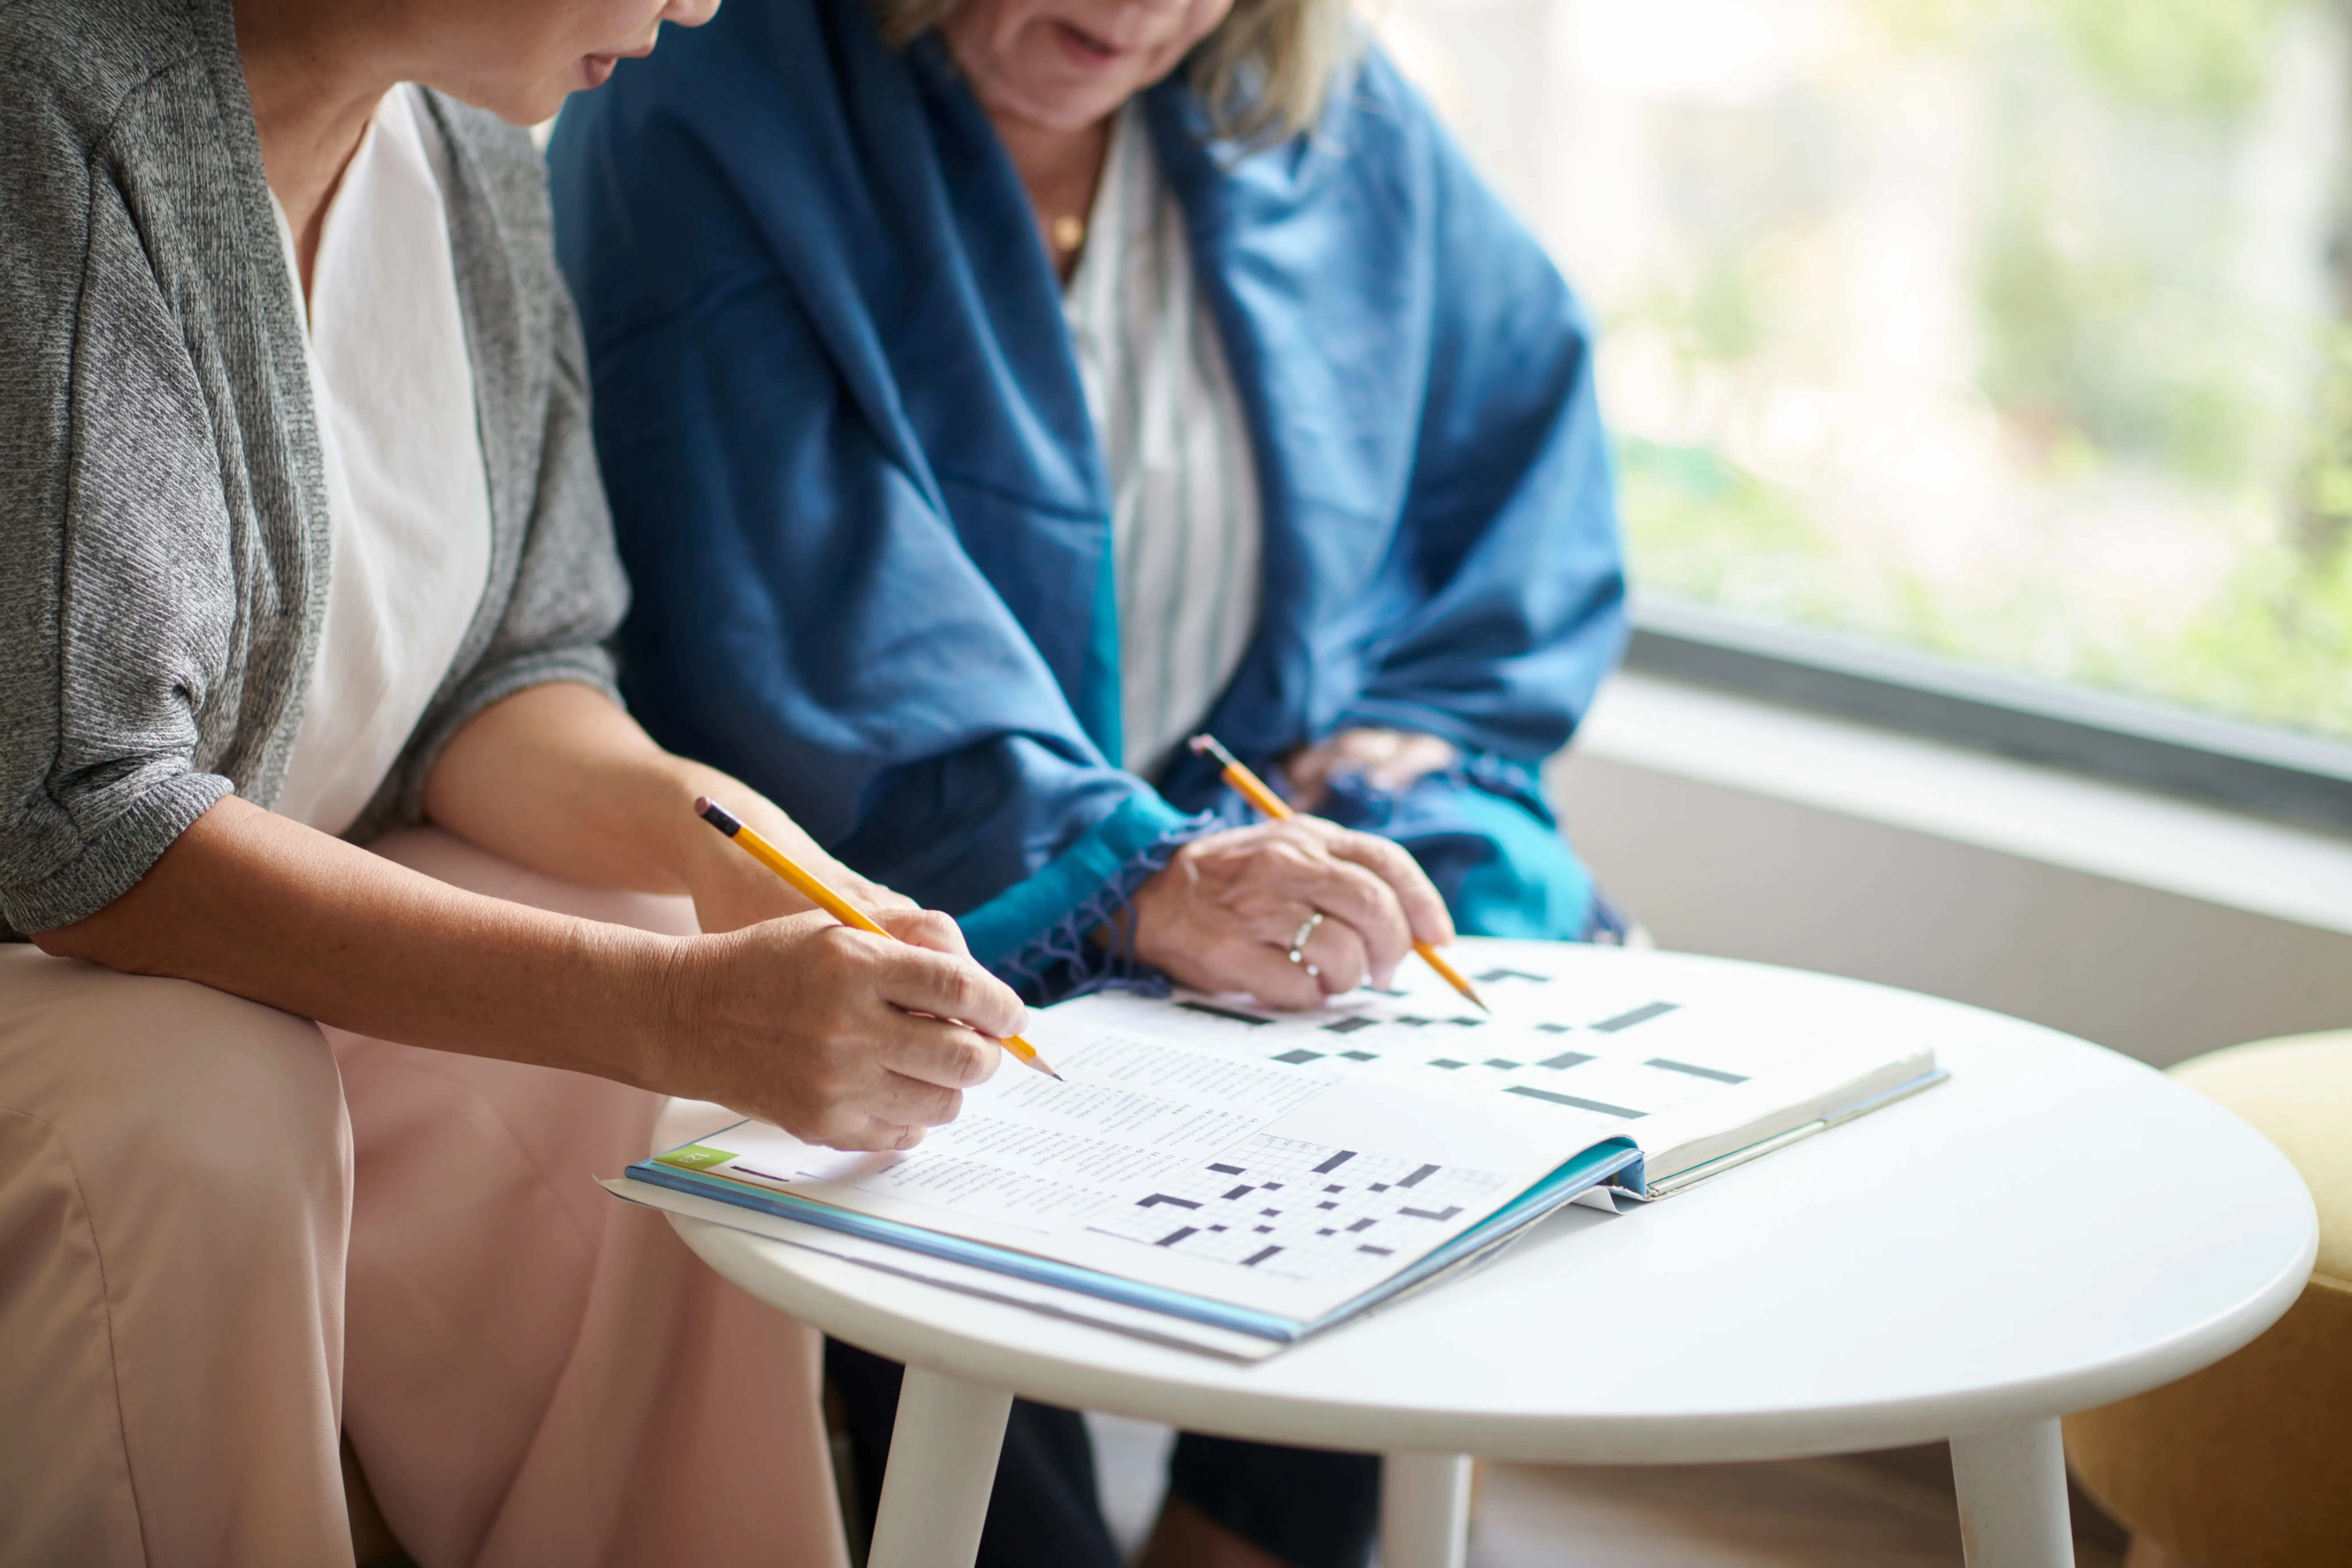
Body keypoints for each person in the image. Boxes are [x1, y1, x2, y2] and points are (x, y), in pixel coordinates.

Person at [547, 0, 1631, 1562]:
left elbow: (1511, 458)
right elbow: (797, 607)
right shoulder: (704, 97)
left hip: (1234, 831)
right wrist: (1128, 874)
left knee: (1455, 966)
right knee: (917, 1099)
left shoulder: (1315, 106)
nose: (1133, 15)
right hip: (902, 851)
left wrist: (1398, 756)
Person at [0, 0, 1032, 1563]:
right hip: (70, 951)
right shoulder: (53, 108)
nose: (699, 2)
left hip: (194, 921)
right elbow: (76, 819)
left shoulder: (477, 156)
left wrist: (731, 846)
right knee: (199, 1097)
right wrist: (674, 1010)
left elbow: (510, 666)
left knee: (653, 962)